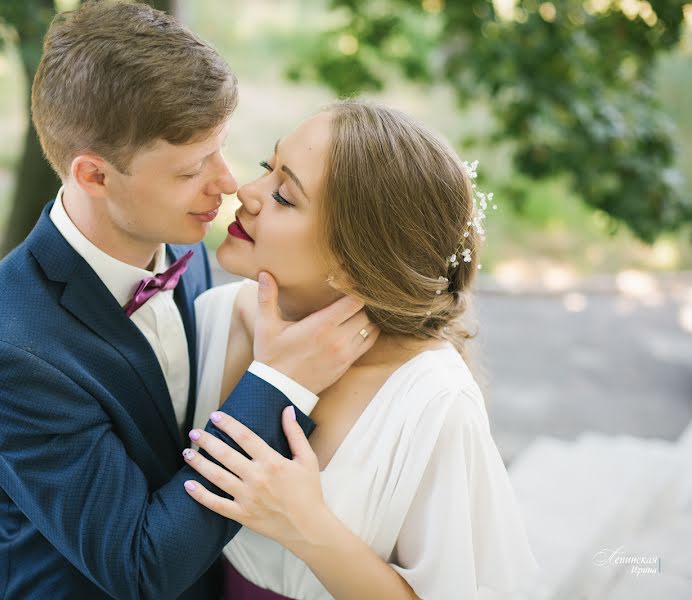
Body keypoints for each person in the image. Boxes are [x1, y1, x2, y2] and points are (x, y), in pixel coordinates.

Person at [0, 3, 377, 599]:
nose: (227, 183)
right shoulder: (2, 350)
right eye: (192, 168)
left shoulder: (184, 241)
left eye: (221, 149)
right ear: (94, 175)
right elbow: (139, 567)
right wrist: (280, 382)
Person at [182, 101, 540, 599]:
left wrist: (307, 526)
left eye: (284, 195)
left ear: (355, 264)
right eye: (268, 168)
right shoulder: (216, 318)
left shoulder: (432, 401)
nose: (247, 192)